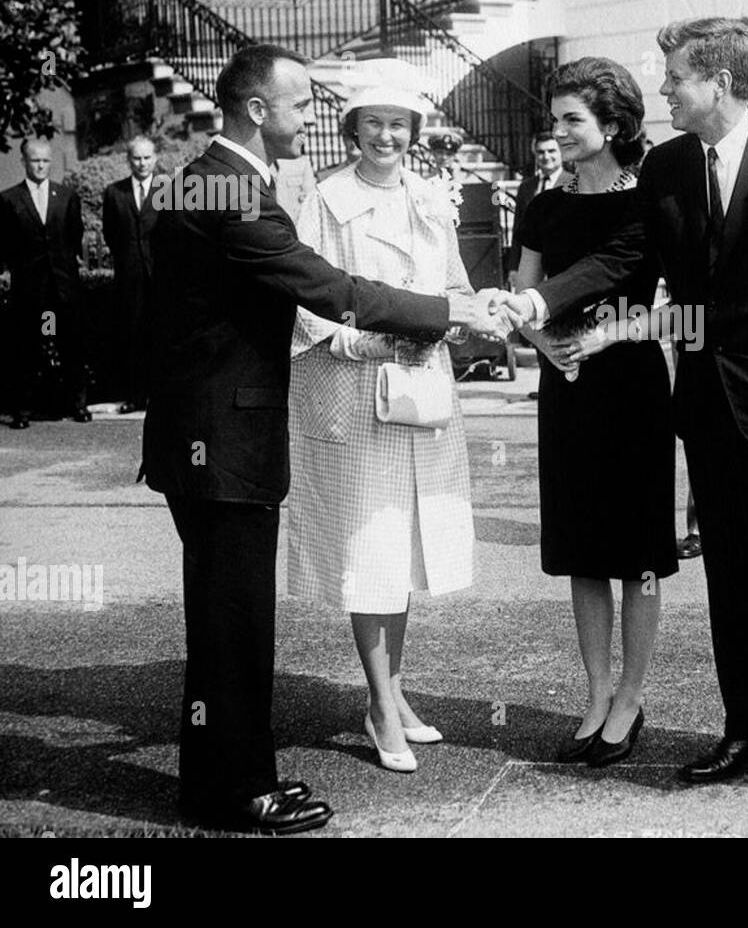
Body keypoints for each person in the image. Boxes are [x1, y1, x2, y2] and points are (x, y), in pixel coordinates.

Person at [142, 44, 505, 835]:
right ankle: (239, 792)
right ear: (257, 110)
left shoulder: (219, 179)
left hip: (207, 434)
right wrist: (449, 314)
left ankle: (226, 780)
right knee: (232, 624)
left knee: (224, 622)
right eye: (302, 105)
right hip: (220, 441)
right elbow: (327, 289)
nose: (311, 118)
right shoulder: (232, 187)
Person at [497, 18, 748, 794]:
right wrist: (542, 301)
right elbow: (624, 255)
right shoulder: (667, 165)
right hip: (700, 400)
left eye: (673, 79)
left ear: (720, 84)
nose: (661, 90)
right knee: (730, 571)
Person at [286, 86, 475, 774]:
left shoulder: (430, 196)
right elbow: (308, 308)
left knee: (404, 542)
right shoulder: (326, 201)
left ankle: (389, 692)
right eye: (374, 124)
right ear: (352, 130)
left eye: (399, 124)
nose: (387, 136)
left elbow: (454, 284)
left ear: (414, 130)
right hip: (355, 390)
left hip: (421, 390)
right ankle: (381, 704)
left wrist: (459, 321)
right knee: (370, 548)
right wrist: (375, 345)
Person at [512, 57, 676, 767]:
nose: (561, 133)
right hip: (569, 384)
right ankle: (596, 694)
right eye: (555, 121)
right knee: (583, 548)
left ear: (613, 124)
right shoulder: (544, 205)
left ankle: (632, 699)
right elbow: (524, 289)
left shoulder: (649, 201)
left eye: (574, 119)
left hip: (632, 383)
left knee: (637, 552)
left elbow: (664, 298)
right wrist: (549, 347)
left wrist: (608, 334)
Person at [0, 137, 90, 427]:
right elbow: (6, 245)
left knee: (72, 347)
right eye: (35, 160)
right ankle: (23, 410)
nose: (41, 166)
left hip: (63, 288)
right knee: (25, 349)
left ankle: (78, 404)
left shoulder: (65, 196)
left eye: (45, 161)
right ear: (24, 162)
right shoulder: (9, 199)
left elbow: (74, 237)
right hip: (29, 290)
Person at [102, 136, 160, 413]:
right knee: (133, 336)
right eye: (137, 158)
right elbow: (111, 234)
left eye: (147, 157)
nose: (142, 163)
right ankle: (136, 396)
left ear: (155, 158)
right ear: (129, 160)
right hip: (130, 276)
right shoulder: (115, 193)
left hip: (161, 276)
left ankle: (161, 397)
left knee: (161, 335)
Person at [507, 132, 563, 289]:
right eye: (541, 152)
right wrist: (513, 267)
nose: (546, 156)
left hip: (561, 267)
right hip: (529, 266)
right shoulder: (526, 187)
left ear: (561, 153)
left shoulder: (574, 183)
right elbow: (519, 230)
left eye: (551, 151)